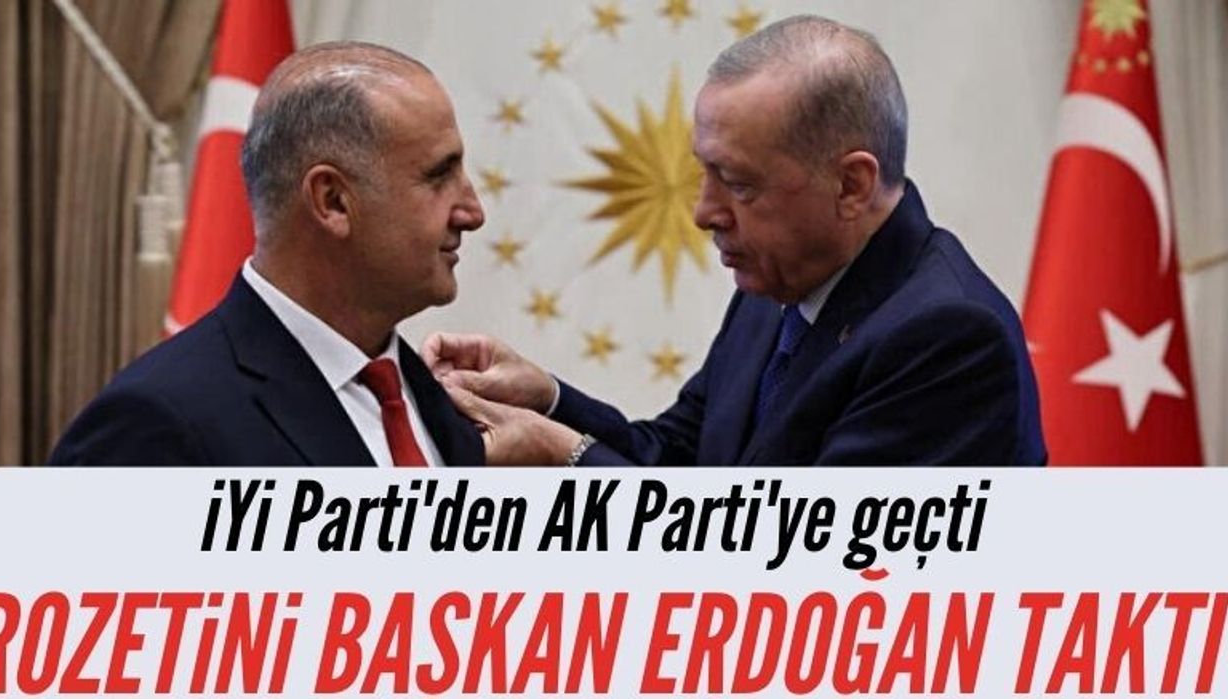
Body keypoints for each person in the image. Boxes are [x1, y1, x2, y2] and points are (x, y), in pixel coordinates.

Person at [425, 15, 1047, 466]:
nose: (703, 213)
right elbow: (681, 460)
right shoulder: (781, 280)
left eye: (740, 184)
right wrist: (549, 400)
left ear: (851, 184)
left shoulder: (949, 337)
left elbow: (793, 569)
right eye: (706, 173)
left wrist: (564, 455)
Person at [51, 42, 486, 465]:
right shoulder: (155, 425)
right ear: (333, 201)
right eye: (438, 177)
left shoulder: (439, 400)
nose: (473, 213)